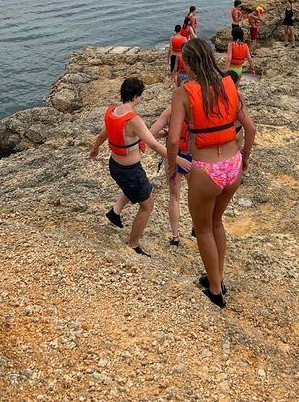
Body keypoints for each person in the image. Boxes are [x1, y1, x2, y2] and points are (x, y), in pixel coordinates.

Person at [166, 39, 256, 308]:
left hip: (206, 170)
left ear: (189, 63)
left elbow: (172, 141)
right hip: (233, 165)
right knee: (217, 223)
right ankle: (217, 276)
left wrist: (173, 167)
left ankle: (215, 291)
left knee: (203, 229)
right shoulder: (229, 84)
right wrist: (246, 158)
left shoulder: (183, 93)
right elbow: (250, 129)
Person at [88, 77, 191, 256]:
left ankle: (115, 213)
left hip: (115, 166)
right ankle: (133, 244)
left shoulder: (113, 111)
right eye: (140, 96)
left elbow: (104, 133)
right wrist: (176, 159)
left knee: (138, 189)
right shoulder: (133, 119)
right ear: (136, 96)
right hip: (130, 171)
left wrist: (95, 148)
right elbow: (153, 145)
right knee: (147, 205)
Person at [150, 105, 193, 247]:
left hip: (172, 155)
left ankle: (175, 237)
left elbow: (151, 134)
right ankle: (196, 228)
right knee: (196, 195)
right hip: (193, 156)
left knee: (174, 197)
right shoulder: (198, 106)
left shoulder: (170, 110)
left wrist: (166, 133)